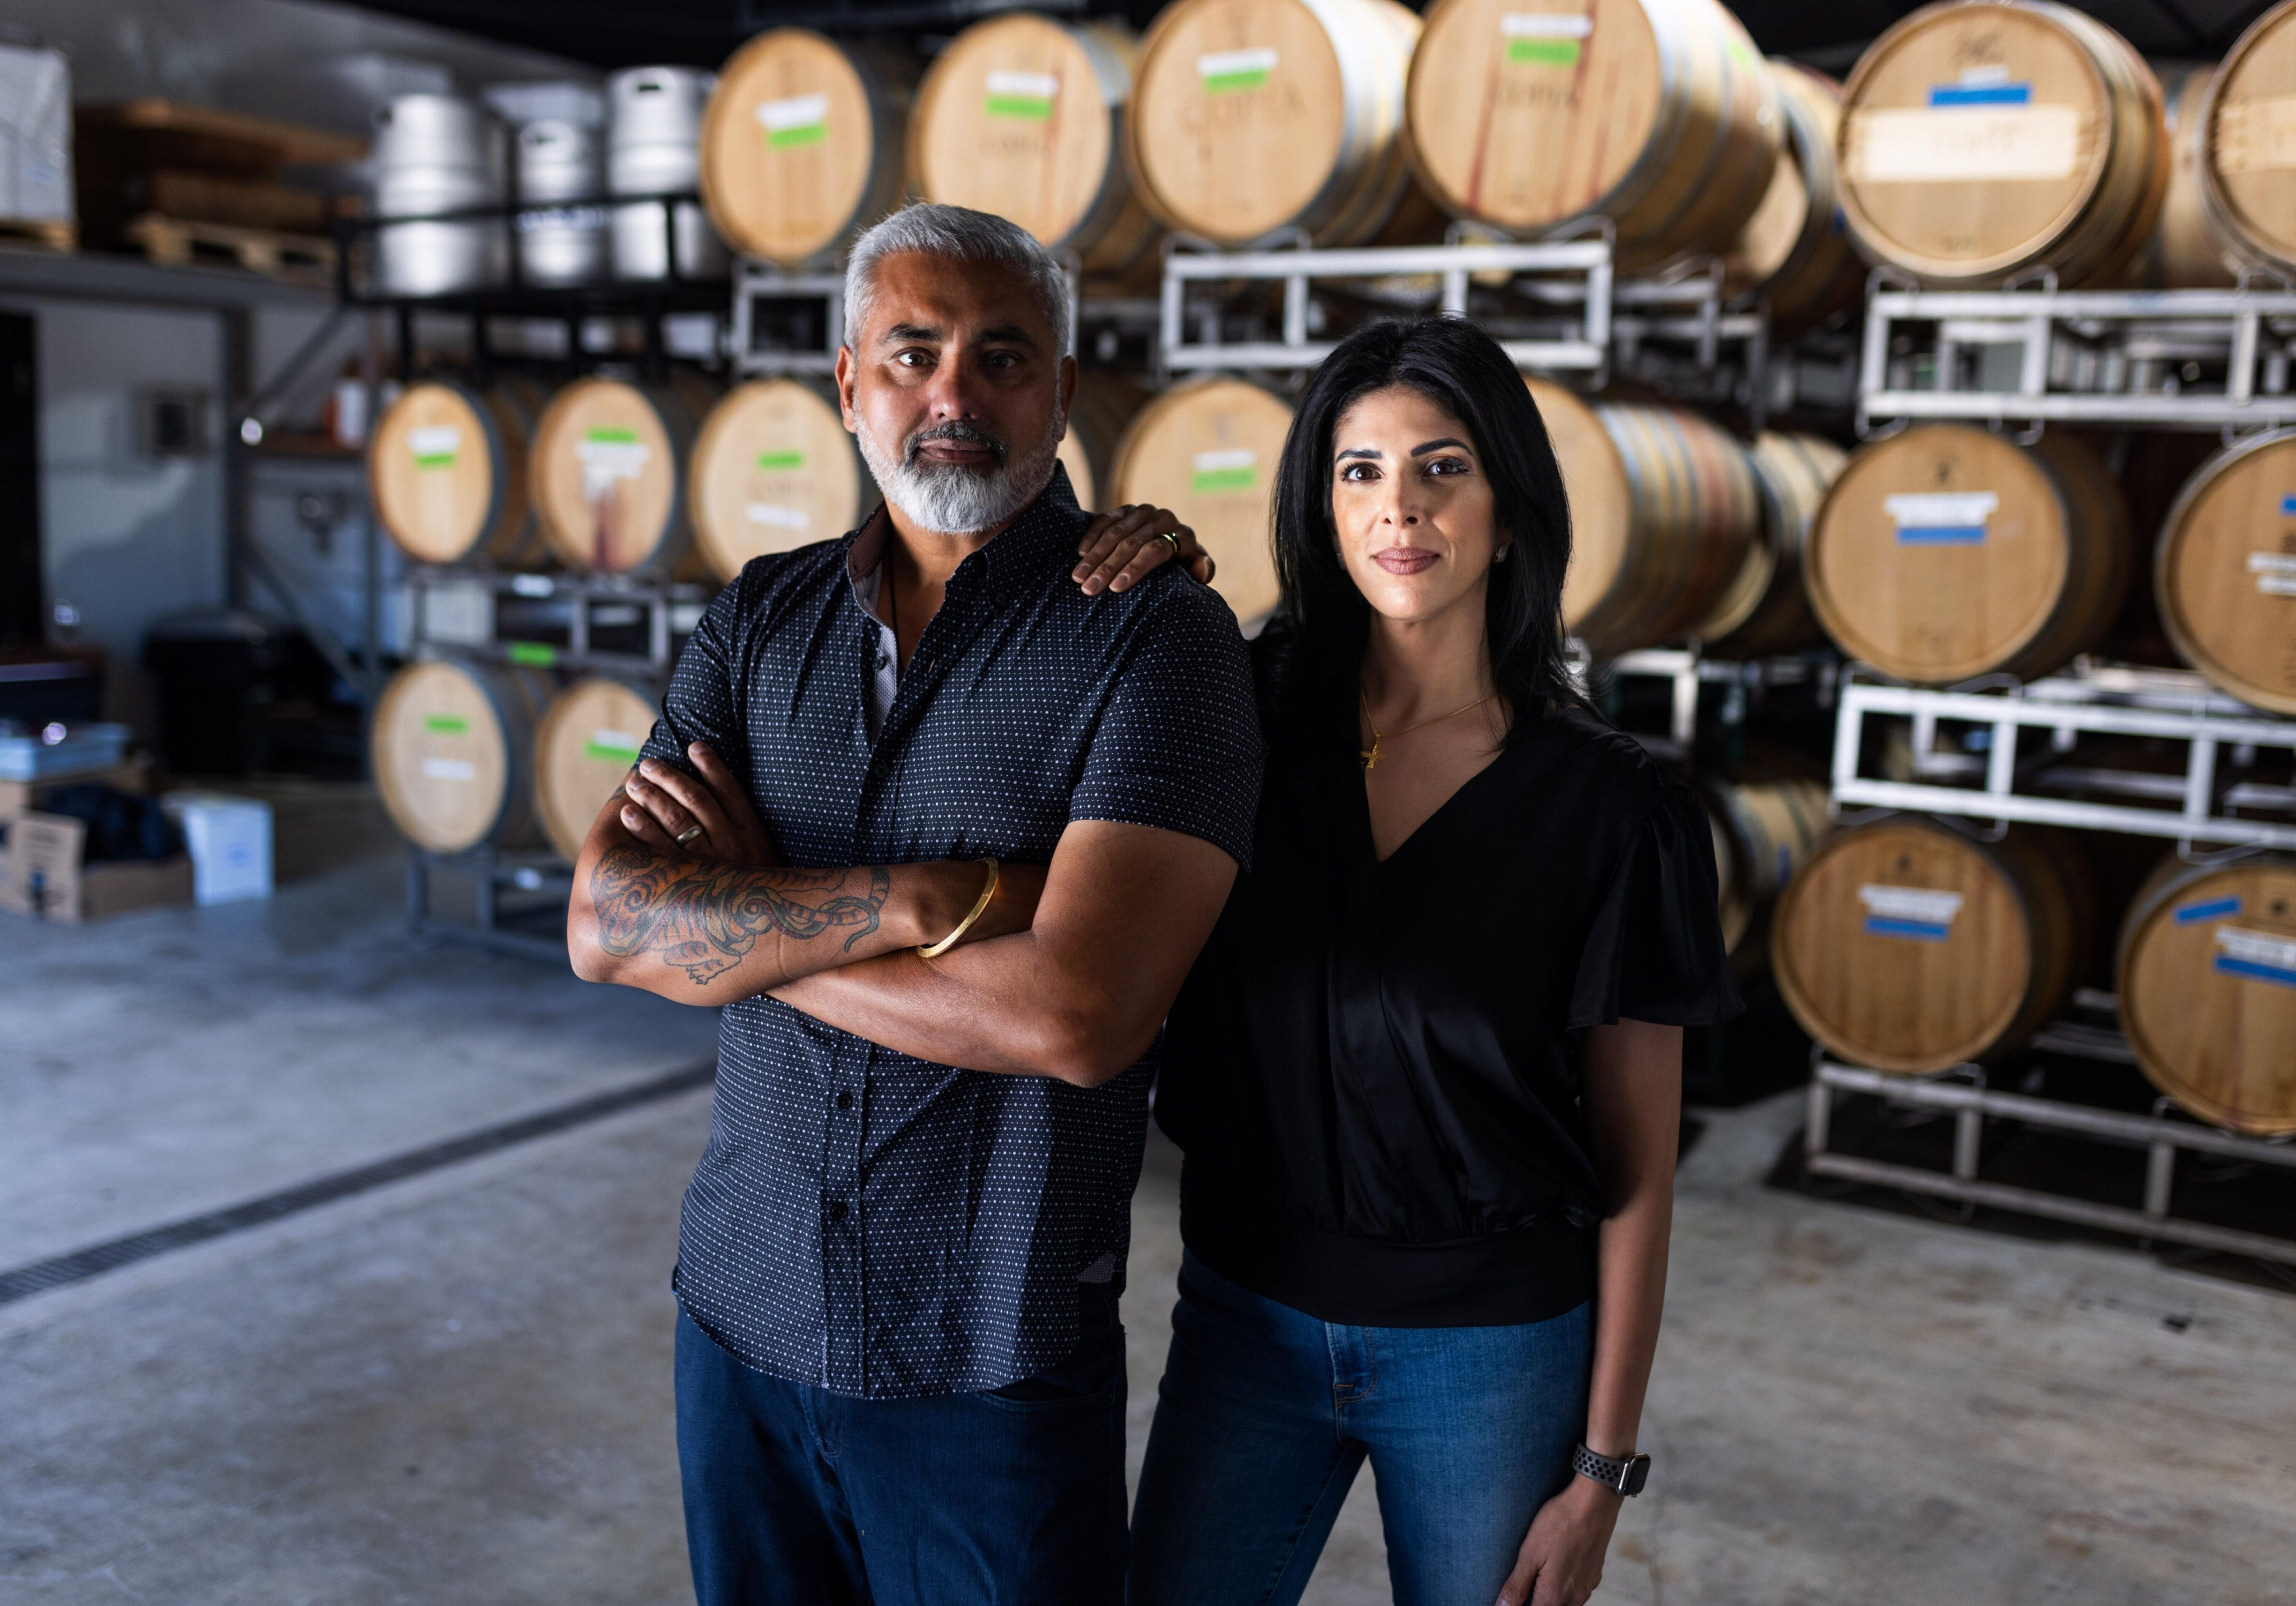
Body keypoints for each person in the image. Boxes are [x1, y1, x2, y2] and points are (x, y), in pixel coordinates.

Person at [564, 202, 1261, 1606]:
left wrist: (751, 919)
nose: (953, 393)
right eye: (912, 351)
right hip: (739, 1318)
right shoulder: (759, 619)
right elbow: (609, 925)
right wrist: (929, 903)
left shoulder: (1157, 637)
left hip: (985, 1359)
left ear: (1064, 391)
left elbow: (1078, 1012)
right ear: (847, 384)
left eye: (1003, 357)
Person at [1127, 317, 1742, 1606]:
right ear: (1321, 507)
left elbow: (1638, 1169)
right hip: (1245, 1314)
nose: (1399, 506)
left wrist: (1602, 1472)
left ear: (1510, 512)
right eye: (1360, 471)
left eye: (1442, 466)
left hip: (1490, 1353)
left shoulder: (1616, 811)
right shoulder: (1233, 719)